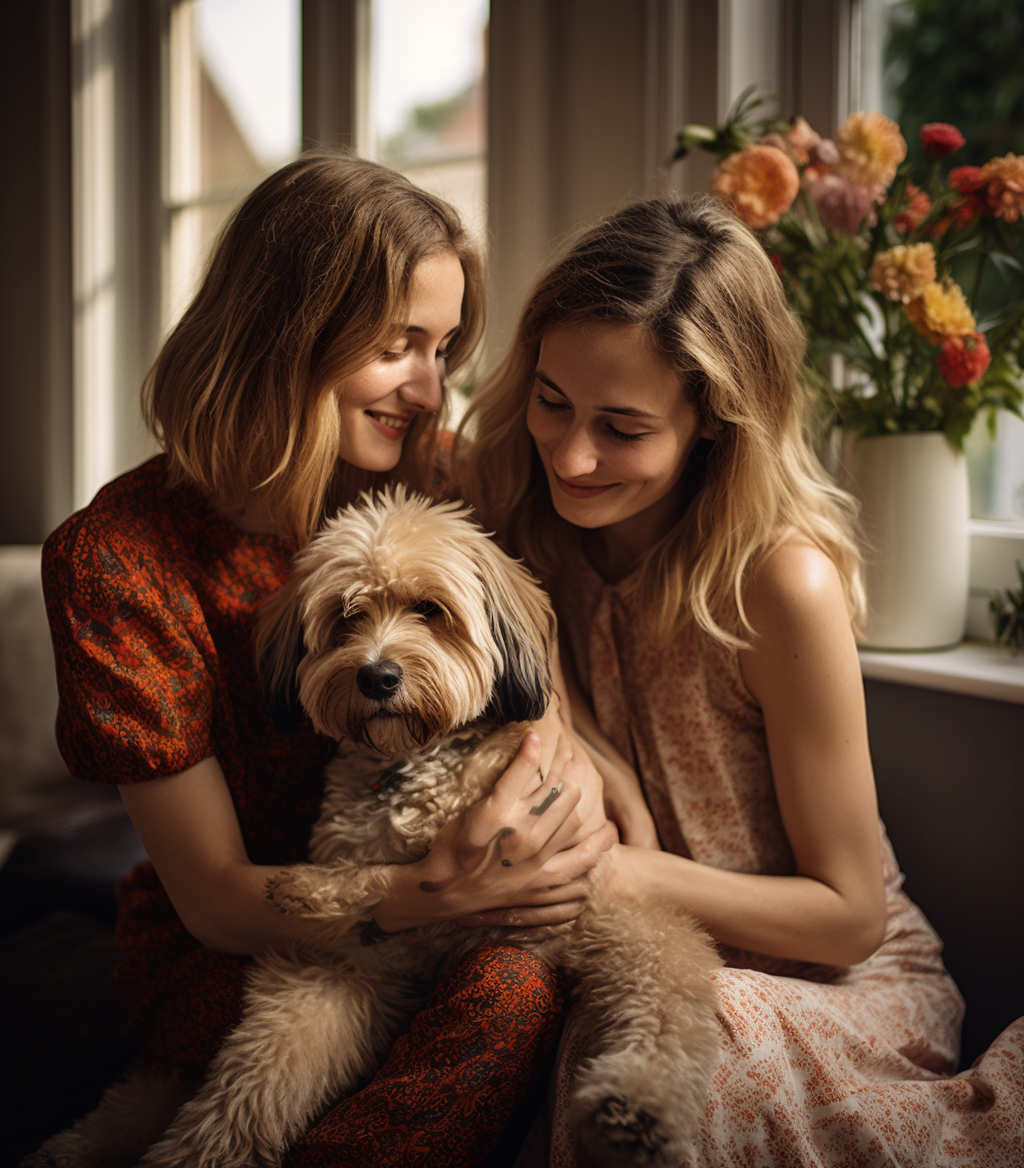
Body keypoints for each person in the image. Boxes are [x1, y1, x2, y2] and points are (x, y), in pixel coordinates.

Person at [40, 151, 614, 1168]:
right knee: (369, 1024)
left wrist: (551, 771)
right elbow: (215, 896)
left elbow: (527, 648)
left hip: (455, 888)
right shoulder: (115, 558)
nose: (430, 387)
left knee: (519, 989)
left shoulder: (420, 472)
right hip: (242, 937)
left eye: (443, 348)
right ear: (292, 328)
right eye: (402, 345)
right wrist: (435, 896)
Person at [454, 194, 1024, 1167]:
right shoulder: (524, 510)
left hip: (833, 985)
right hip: (639, 960)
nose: (572, 452)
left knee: (662, 1054)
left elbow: (848, 916)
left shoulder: (777, 583)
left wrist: (615, 869)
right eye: (553, 401)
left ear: (714, 423)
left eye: (622, 427)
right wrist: (586, 743)